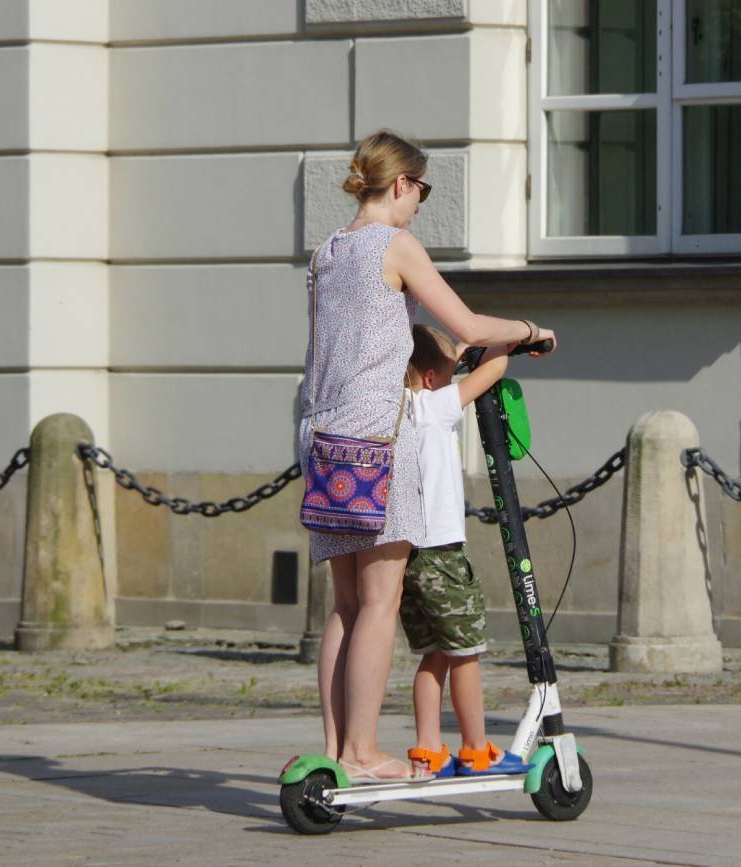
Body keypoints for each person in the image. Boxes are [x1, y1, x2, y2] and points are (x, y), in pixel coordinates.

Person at [300, 130, 555, 783]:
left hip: (323, 435)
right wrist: (529, 330)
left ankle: (336, 749)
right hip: (379, 440)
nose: (420, 203)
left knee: (346, 604)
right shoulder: (396, 245)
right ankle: (362, 752)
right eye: (422, 190)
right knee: (380, 602)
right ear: (401, 183)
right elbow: (466, 326)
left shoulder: (328, 251)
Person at [400, 326, 532, 778]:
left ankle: (427, 749)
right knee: (465, 653)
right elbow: (493, 371)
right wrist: (509, 341)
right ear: (433, 379)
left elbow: (432, 370)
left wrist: (454, 354)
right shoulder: (435, 407)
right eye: (449, 373)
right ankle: (476, 749)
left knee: (434, 654)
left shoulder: (399, 409)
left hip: (407, 555)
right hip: (443, 554)